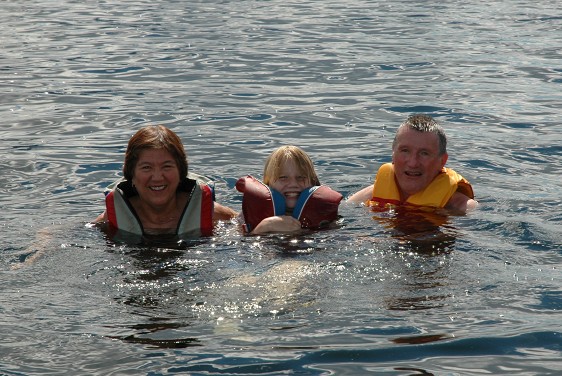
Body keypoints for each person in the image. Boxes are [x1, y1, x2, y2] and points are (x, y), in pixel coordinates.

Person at [93, 125, 236, 238]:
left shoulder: (212, 213)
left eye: (167, 167)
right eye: (146, 168)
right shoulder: (112, 219)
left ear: (181, 172)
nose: (157, 177)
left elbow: (249, 230)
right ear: (131, 174)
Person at [348, 114, 478, 213]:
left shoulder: (463, 208)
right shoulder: (368, 197)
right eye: (405, 151)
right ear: (393, 154)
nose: (413, 163)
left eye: (424, 153)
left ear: (442, 161)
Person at [236, 145, 343, 235]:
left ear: (313, 182)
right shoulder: (249, 215)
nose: (293, 184)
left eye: (301, 178)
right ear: (268, 184)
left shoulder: (325, 211)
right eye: (283, 178)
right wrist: (265, 227)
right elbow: (240, 247)